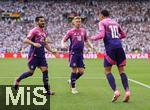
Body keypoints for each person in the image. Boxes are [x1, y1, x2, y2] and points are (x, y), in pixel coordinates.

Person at [91, 10, 131, 102]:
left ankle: (116, 91)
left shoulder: (102, 22)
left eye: (99, 15)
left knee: (107, 71)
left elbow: (101, 35)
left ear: (102, 15)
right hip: (119, 47)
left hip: (110, 48)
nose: (99, 17)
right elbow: (123, 35)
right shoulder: (115, 22)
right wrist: (116, 38)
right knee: (121, 70)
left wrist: (93, 38)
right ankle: (127, 91)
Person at [14, 16, 58, 95]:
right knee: (31, 72)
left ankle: (47, 91)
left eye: (44, 21)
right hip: (33, 55)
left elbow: (45, 44)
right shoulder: (34, 31)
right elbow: (25, 40)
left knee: (45, 71)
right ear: (37, 22)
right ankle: (18, 80)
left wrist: (52, 51)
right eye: (41, 21)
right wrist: (34, 43)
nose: (43, 22)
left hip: (41, 56)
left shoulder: (45, 32)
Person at [61, 16, 95, 94]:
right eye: (77, 21)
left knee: (81, 71)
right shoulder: (70, 31)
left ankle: (71, 81)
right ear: (73, 22)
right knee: (74, 70)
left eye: (79, 21)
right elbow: (63, 40)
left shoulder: (83, 31)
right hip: (73, 53)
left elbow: (86, 40)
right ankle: (73, 88)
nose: (78, 22)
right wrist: (63, 44)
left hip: (80, 54)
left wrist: (91, 46)